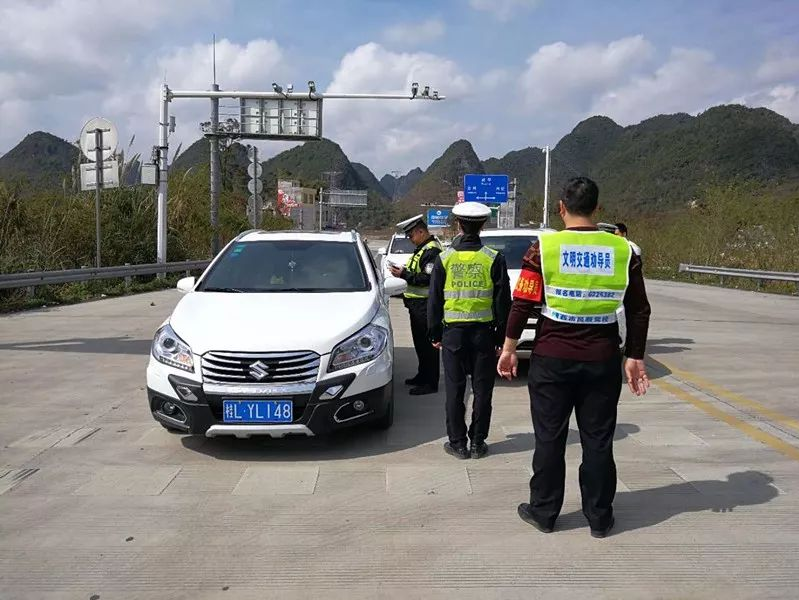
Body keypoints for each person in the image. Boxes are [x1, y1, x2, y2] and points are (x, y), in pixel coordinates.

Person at [497, 177, 651, 538]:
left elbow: (523, 302)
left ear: (561, 208)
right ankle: (599, 517)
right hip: (602, 358)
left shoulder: (544, 247)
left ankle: (545, 511)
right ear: (598, 209)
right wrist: (635, 356)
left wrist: (508, 348)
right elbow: (639, 310)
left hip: (552, 358)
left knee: (549, 438)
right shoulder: (623, 250)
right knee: (598, 440)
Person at [428, 203, 511, 459]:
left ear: (458, 225)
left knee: (455, 389)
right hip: (483, 334)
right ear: (483, 225)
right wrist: (501, 338)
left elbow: (434, 300)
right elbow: (502, 302)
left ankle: (457, 444)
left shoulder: (444, 258)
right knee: (483, 390)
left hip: (452, 334)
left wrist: (434, 333)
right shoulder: (493, 258)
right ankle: (477, 443)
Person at [389, 215, 443, 396]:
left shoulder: (432, 251)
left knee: (428, 346)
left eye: (411, 235)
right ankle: (422, 375)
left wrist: (404, 275)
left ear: (421, 231)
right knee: (420, 344)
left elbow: (428, 279)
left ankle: (430, 382)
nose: (410, 240)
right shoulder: (422, 249)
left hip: (426, 305)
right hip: (416, 306)